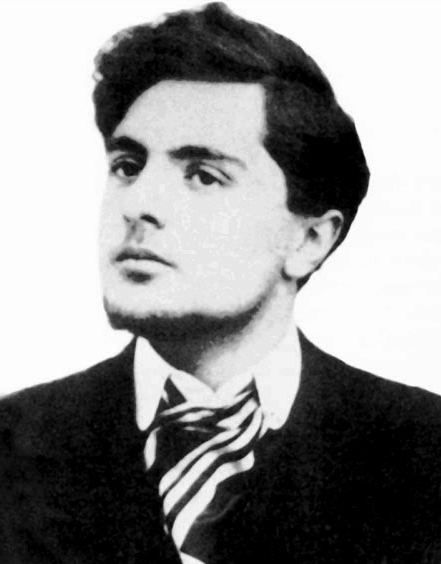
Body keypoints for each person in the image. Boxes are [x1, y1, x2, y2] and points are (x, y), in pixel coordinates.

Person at [1, 3, 441, 563]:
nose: (139, 204)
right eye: (128, 166)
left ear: (309, 240)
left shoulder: (423, 452)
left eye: (204, 176)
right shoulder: (14, 443)